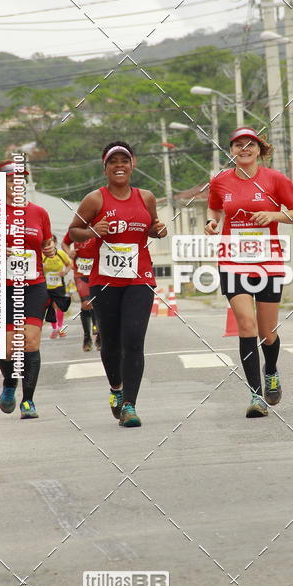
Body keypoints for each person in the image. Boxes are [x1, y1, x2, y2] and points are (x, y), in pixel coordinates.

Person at [206, 127, 293, 418]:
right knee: (246, 327)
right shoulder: (220, 181)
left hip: (267, 261)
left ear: (260, 150)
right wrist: (211, 223)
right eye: (238, 144)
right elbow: (213, 211)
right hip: (232, 260)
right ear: (232, 150)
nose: (244, 149)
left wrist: (275, 215)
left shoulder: (276, 180)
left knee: (267, 333)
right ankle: (256, 395)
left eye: (250, 144)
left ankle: (271, 368)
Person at [67, 141, 167, 427]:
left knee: (134, 340)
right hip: (106, 281)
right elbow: (73, 232)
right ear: (106, 167)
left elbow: (152, 226)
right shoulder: (95, 200)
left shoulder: (146, 197)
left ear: (133, 165)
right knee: (111, 342)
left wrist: (158, 231)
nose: (119, 165)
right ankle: (116, 389)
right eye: (114, 162)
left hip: (140, 277)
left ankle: (130, 406)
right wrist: (91, 230)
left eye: (125, 160)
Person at [0, 159, 55, 419]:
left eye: (20, 179)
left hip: (33, 285)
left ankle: (28, 401)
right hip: (1, 286)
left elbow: (47, 243)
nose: (15, 184)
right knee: (7, 347)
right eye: (10, 179)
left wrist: (50, 249)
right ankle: (10, 383)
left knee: (29, 342)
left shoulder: (39, 212)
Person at [62, 230, 101, 351]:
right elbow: (64, 243)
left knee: (97, 304)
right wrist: (69, 252)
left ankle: (99, 335)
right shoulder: (77, 228)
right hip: (80, 273)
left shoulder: (99, 227)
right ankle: (87, 337)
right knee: (86, 303)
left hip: (97, 272)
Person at [42, 235, 71, 338]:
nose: (50, 245)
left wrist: (65, 272)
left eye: (52, 243)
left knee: (58, 305)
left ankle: (60, 328)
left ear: (55, 244)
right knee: (50, 307)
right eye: (48, 243)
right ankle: (54, 329)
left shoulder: (60, 254)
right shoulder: (42, 255)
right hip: (46, 285)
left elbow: (69, 264)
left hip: (58, 284)